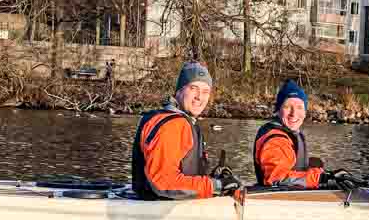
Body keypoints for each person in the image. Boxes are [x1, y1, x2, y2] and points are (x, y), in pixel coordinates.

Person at [132, 61, 242, 200]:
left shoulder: (183, 121)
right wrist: (216, 186)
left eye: (205, 91)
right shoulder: (173, 125)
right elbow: (163, 182)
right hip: (157, 210)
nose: (199, 97)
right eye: (193, 88)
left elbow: (184, 175)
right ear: (179, 90)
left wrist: (213, 178)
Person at [254, 79, 350, 189]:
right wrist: (321, 178)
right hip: (279, 202)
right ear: (278, 110)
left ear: (305, 112)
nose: (294, 113)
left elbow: (293, 168)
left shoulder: (291, 134)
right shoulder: (276, 141)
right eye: (287, 106)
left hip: (292, 195)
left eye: (299, 107)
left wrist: (323, 173)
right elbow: (277, 178)